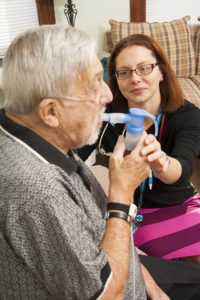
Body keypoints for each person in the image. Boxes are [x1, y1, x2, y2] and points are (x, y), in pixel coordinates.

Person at [0, 24, 172, 299]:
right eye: (94, 83)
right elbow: (103, 294)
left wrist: (144, 280)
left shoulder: (41, 134)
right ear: (51, 111)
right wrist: (122, 192)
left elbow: (94, 226)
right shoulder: (39, 192)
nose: (108, 95)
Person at [88, 33, 200, 264]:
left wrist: (160, 161)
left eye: (144, 68)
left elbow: (182, 170)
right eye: (125, 72)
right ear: (116, 79)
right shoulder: (108, 116)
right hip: (124, 207)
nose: (135, 79)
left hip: (177, 205)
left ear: (161, 72)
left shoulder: (187, 115)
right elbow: (73, 153)